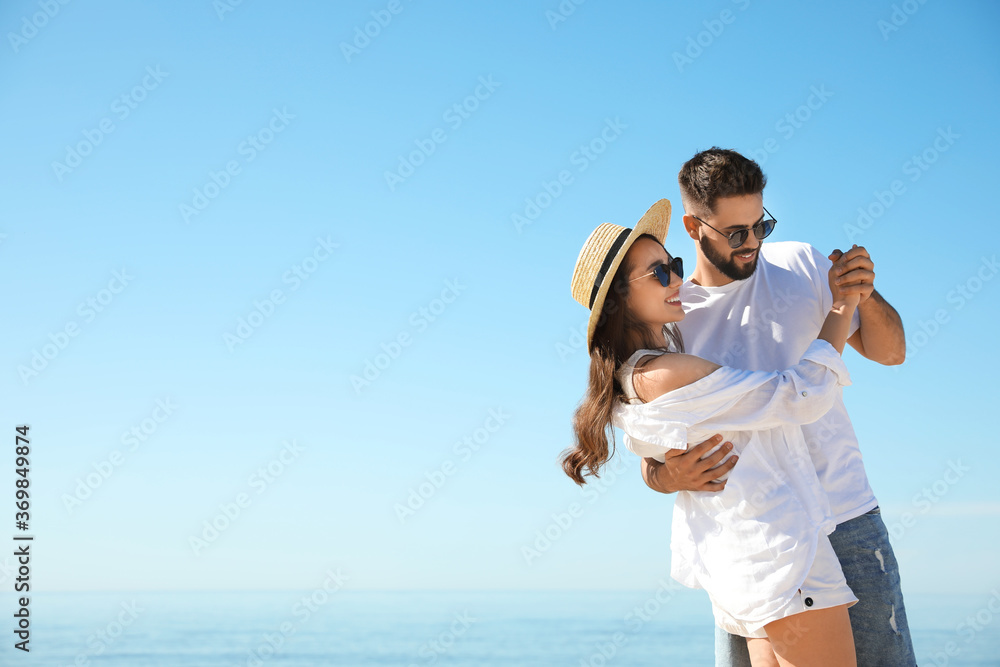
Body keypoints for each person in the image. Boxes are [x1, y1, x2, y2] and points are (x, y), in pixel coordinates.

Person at [633, 148, 915, 667]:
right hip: (749, 540)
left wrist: (864, 295)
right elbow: (650, 459)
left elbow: (891, 353)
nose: (753, 242)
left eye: (760, 224)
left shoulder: (802, 264)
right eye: (736, 233)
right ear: (694, 229)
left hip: (845, 517)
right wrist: (669, 477)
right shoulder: (673, 320)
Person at [564, 198, 861, 666]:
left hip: (742, 565)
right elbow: (802, 395)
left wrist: (664, 475)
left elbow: (658, 464)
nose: (678, 280)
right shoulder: (665, 373)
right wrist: (843, 303)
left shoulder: (631, 380)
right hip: (784, 558)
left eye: (674, 265)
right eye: (659, 274)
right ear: (622, 298)